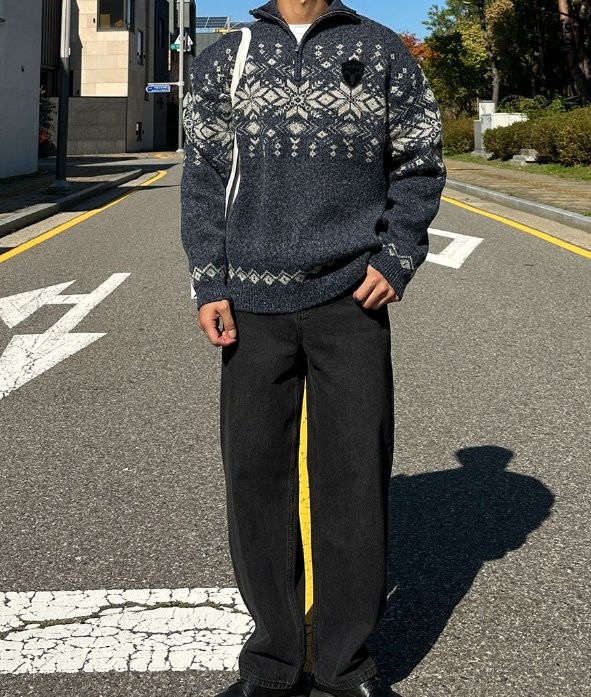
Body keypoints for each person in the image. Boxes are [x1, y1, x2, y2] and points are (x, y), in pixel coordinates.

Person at [181, 1, 446, 696]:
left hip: (350, 300)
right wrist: (209, 279)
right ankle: (272, 662)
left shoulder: (381, 50)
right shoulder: (225, 57)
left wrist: (396, 257)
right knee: (255, 480)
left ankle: (343, 664)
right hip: (248, 304)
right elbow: (202, 173)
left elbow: (419, 162)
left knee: (354, 478)